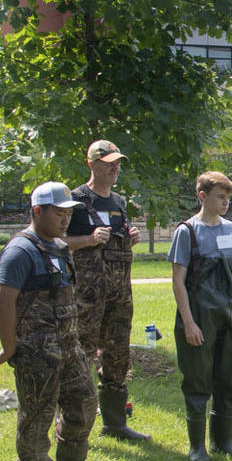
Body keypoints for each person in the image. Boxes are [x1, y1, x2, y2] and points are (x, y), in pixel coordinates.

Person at [0, 182, 115, 461]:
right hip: (36, 353)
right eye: (58, 213)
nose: (64, 220)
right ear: (37, 211)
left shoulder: (59, 247)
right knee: (36, 418)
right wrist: (9, 346)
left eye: (67, 213)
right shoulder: (20, 251)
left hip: (68, 348)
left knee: (85, 404)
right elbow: (3, 302)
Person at [65, 139, 148, 442]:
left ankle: (115, 423)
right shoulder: (73, 200)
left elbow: (118, 237)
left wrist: (131, 237)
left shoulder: (119, 202)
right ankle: (73, 426)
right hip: (87, 296)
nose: (115, 168)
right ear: (91, 164)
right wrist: (87, 239)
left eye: (118, 163)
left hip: (119, 295)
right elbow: (57, 243)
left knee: (117, 356)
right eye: (108, 163)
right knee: (81, 356)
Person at [170, 171, 232, 461]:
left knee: (226, 379)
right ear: (202, 196)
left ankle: (224, 443)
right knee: (197, 380)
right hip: (199, 317)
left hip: (230, 316)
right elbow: (178, 280)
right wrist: (189, 322)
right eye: (221, 197)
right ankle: (197, 448)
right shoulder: (187, 232)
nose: (226, 203)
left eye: (228, 198)